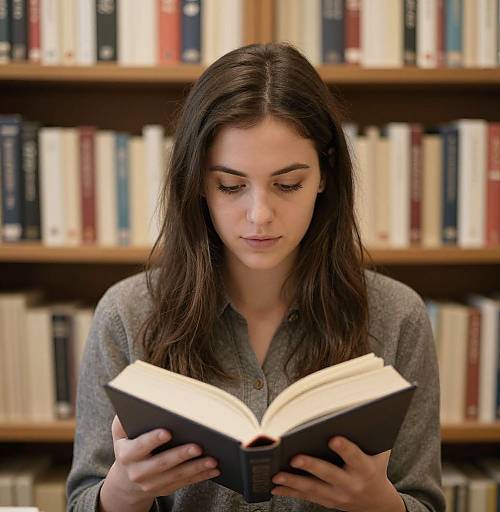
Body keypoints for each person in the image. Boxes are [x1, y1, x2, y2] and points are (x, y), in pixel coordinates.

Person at [67, 42, 444, 512]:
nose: (259, 215)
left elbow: (424, 500)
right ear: (198, 184)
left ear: (325, 175)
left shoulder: (396, 315)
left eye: (288, 184)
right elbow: (83, 498)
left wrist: (377, 503)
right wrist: (126, 491)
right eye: (230, 185)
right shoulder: (127, 314)